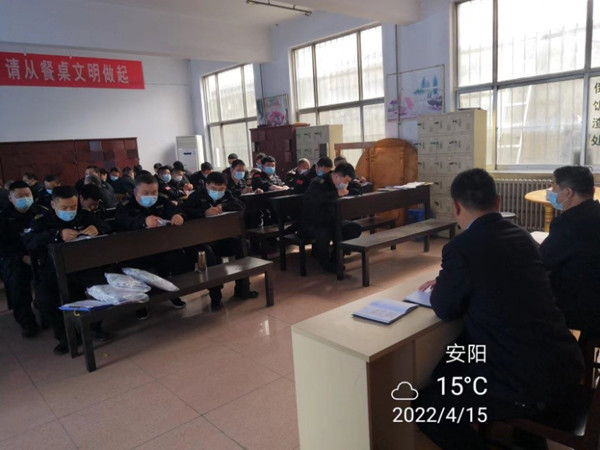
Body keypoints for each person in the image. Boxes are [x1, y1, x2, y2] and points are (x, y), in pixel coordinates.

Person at [414, 168, 584, 450]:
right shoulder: (523, 236)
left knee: (427, 408)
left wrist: (449, 281)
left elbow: (444, 308)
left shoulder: (461, 247)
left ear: (456, 207)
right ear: (498, 201)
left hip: (523, 382)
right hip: (565, 363)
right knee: (451, 366)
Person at [23, 186, 111, 354]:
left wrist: (98, 229)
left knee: (103, 288)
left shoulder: (84, 215)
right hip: (52, 269)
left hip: (83, 266)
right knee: (45, 299)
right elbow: (30, 241)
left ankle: (94, 327)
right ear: (53, 205)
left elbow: (106, 226)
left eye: (73, 206)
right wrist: (57, 235)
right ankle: (66, 337)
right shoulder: (42, 220)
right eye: (64, 207)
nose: (70, 211)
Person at [114, 172, 189, 313]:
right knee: (135, 268)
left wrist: (178, 215)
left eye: (154, 192)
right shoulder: (126, 206)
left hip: (161, 246)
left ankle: (172, 294)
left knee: (177, 258)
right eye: (146, 193)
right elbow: (122, 223)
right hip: (135, 250)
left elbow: (177, 209)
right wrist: (143, 222)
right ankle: (140, 305)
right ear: (136, 192)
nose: (150, 196)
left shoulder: (162, 200)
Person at [540, 166, 600, 339]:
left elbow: (544, 260)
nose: (551, 193)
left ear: (568, 192)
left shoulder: (568, 223)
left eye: (553, 188)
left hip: (581, 306)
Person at [183, 172, 259, 308]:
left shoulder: (227, 194)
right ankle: (216, 296)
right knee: (208, 254)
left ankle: (242, 288)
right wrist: (204, 213)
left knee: (242, 245)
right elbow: (186, 212)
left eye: (221, 189)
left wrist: (222, 206)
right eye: (214, 188)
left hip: (221, 238)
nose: (217, 192)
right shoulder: (196, 196)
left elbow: (240, 206)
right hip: (201, 240)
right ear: (207, 185)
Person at [0, 181, 46, 337]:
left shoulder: (40, 212)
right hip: (15, 258)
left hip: (39, 256)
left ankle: (47, 311)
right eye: (20, 196)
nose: (25, 199)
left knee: (51, 277)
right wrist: (21, 257)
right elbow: (3, 246)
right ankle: (27, 322)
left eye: (27, 195)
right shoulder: (4, 218)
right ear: (11, 198)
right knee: (18, 282)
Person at [299, 163, 362, 273]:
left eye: (348, 181)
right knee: (324, 233)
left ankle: (336, 257)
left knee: (354, 228)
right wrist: (336, 193)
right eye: (345, 181)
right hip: (313, 221)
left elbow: (356, 190)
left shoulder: (342, 181)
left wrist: (348, 191)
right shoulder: (318, 182)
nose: (346, 184)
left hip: (332, 219)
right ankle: (325, 264)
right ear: (336, 176)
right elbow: (316, 200)